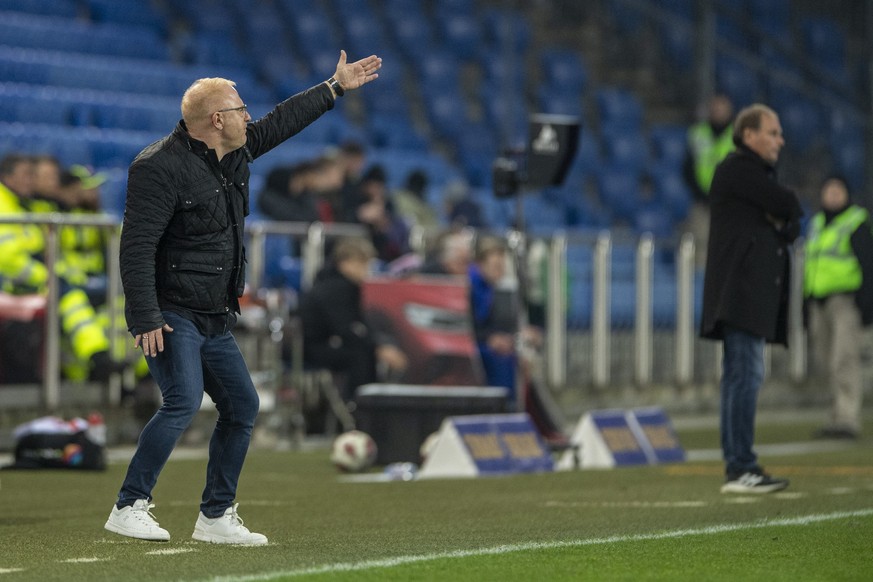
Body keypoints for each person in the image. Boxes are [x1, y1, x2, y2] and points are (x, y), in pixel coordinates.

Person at [104, 50, 381, 544]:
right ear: (216, 119)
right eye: (239, 109)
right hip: (171, 311)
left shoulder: (237, 149)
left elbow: (282, 121)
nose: (248, 116)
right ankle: (129, 505)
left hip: (215, 312)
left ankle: (214, 516)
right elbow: (137, 246)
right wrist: (143, 314)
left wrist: (334, 88)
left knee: (242, 407)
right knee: (183, 402)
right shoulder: (157, 167)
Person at [700, 103, 803, 494]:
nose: (781, 140)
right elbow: (788, 206)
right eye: (773, 132)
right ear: (749, 135)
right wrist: (785, 216)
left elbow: (787, 219)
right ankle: (741, 465)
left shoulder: (747, 177)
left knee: (738, 377)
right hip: (740, 294)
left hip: (741, 294)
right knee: (745, 376)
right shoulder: (739, 171)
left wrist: (785, 220)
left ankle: (737, 465)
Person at [0, 154, 119, 382]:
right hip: (14, 285)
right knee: (70, 297)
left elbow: (41, 250)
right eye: (26, 175)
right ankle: (96, 359)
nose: (30, 181)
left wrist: (57, 274)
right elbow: (9, 259)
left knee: (107, 301)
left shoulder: (22, 203)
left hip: (35, 278)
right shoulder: (6, 204)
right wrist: (47, 276)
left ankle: (105, 367)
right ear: (8, 177)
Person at [299, 236, 407, 406]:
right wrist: (378, 348)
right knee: (361, 355)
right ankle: (359, 406)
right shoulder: (337, 288)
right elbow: (347, 327)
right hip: (315, 347)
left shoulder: (337, 284)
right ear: (346, 263)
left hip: (323, 343)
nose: (367, 270)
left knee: (363, 350)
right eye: (362, 264)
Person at [804, 176, 873, 440]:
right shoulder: (818, 223)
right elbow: (813, 265)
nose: (832, 195)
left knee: (844, 359)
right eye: (828, 190)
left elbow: (868, 264)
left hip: (845, 301)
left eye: (837, 190)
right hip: (819, 301)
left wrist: (866, 304)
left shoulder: (856, 222)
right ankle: (835, 416)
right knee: (826, 361)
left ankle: (847, 418)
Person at [683, 94, 735, 266]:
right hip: (702, 203)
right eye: (715, 109)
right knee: (700, 246)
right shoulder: (698, 134)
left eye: (721, 109)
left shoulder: (737, 137)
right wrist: (702, 194)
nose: (717, 112)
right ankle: (698, 287)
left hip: (728, 203)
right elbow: (687, 168)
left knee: (728, 247)